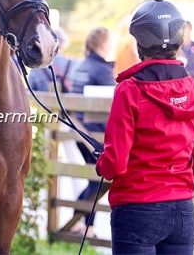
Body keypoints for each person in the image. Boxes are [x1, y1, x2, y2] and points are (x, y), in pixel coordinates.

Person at [96, 0, 194, 254]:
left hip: (136, 208)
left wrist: (101, 163)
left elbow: (114, 163)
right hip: (182, 210)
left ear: (139, 43)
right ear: (179, 41)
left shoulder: (129, 90)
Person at [69, 26, 116, 237]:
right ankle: (83, 223)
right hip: (96, 135)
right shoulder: (102, 70)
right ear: (103, 44)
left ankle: (81, 223)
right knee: (97, 179)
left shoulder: (80, 65)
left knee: (93, 178)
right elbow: (115, 103)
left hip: (79, 132)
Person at [28, 27, 76, 92]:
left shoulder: (37, 67)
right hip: (70, 102)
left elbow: (30, 91)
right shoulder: (74, 64)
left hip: (42, 102)